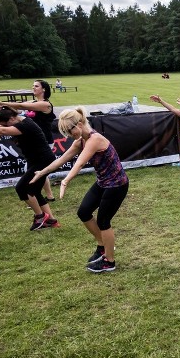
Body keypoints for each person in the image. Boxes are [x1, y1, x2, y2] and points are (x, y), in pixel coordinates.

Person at [31, 107, 128, 272]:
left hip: (117, 184)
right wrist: (42, 172)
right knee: (83, 212)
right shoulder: (80, 141)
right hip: (103, 182)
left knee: (104, 221)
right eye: (66, 132)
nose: (69, 134)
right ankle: (102, 246)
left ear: (80, 123)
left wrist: (65, 181)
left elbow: (80, 163)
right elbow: (61, 160)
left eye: (70, 130)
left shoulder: (94, 139)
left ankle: (109, 262)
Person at [0, 79, 56, 200]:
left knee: (38, 171)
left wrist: (1, 103)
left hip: (44, 140)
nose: (33, 88)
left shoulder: (45, 104)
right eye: (33, 86)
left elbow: (21, 105)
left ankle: (37, 196)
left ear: (44, 89)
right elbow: (16, 109)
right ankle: (41, 196)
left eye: (36, 86)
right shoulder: (34, 101)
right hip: (32, 139)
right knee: (38, 171)